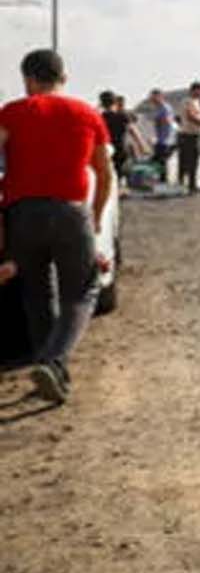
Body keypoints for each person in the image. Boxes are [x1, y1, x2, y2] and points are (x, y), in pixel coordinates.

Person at [0, 49, 114, 405]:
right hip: (70, 212)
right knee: (82, 290)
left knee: (36, 291)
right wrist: (94, 216)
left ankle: (48, 371)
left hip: (22, 213)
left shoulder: (11, 113)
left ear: (28, 80)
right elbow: (104, 173)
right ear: (63, 78)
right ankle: (54, 361)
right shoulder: (87, 114)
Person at [178, 82, 200, 194]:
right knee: (189, 161)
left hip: (196, 135)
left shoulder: (198, 102)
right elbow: (191, 116)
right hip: (188, 135)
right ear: (193, 90)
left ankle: (192, 185)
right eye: (199, 91)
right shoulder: (188, 101)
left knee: (194, 161)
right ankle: (188, 186)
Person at [145, 88, 177, 185]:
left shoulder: (164, 108)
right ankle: (160, 180)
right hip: (161, 139)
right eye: (151, 98)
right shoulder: (159, 108)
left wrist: (159, 121)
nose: (152, 100)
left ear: (160, 97)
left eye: (154, 98)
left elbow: (167, 121)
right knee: (158, 160)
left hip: (166, 139)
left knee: (161, 161)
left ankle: (163, 181)